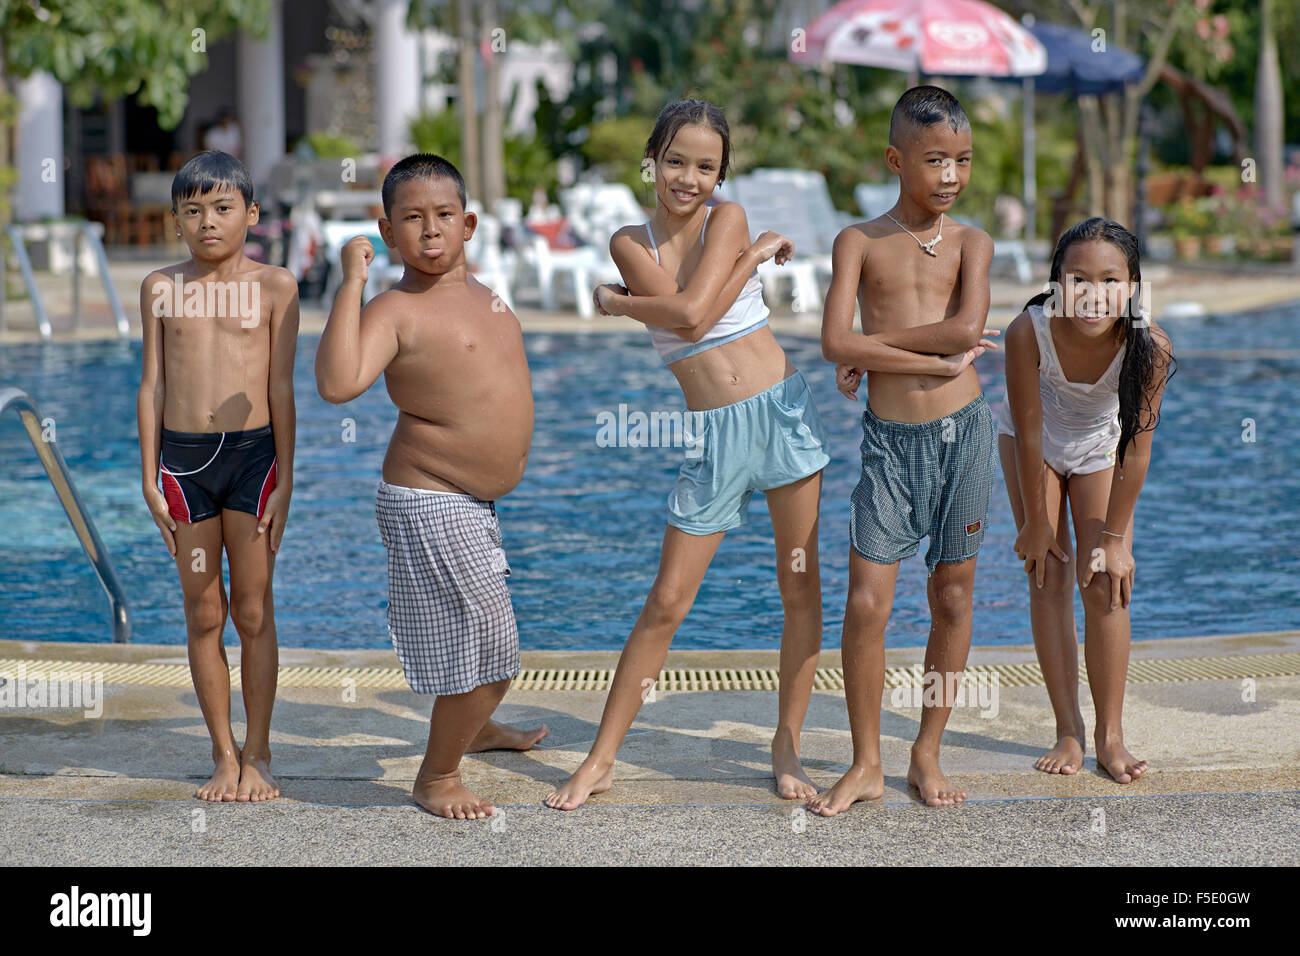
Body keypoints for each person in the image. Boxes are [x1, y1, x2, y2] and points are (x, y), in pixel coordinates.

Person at [548, 98, 863, 812]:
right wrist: (744, 266)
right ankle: (601, 758)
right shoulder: (630, 244)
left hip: (782, 413)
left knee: (799, 586)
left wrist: (622, 305)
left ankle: (785, 742)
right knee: (665, 600)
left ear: (722, 174)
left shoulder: (729, 220)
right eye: (677, 161)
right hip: (715, 435)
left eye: (706, 166)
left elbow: (690, 313)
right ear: (652, 161)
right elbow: (693, 314)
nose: (689, 178)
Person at [315, 154, 548, 820]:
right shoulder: (395, 309)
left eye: (444, 215)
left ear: (468, 222)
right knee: (495, 654)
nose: (430, 230)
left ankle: (473, 728)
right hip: (430, 498)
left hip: (475, 503)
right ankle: (437, 775)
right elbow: (337, 384)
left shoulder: (486, 295)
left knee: (480, 644)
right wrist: (349, 285)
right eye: (411, 219)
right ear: (387, 233)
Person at [814, 86, 1001, 813]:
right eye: (934, 160)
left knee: (952, 595)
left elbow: (966, 331)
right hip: (890, 446)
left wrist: (876, 349)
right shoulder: (858, 241)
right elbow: (833, 340)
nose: (951, 175)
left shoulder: (973, 243)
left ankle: (926, 750)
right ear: (897, 159)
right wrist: (918, 362)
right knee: (866, 603)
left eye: (962, 160)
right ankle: (866, 762)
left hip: (965, 435)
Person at [138, 149, 298, 802]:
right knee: (205, 610)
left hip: (253, 462)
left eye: (223, 208)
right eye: (193, 210)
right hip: (183, 466)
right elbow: (151, 385)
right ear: (177, 221)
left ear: (251, 215)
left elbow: (281, 385)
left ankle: (258, 750)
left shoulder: (276, 287)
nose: (208, 222)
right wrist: (148, 476)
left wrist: (287, 477)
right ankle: (222, 752)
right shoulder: (160, 288)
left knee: (254, 610)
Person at [996, 217, 1174, 783]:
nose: (1093, 295)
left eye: (1109, 280)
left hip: (1102, 446)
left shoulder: (1151, 344)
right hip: (1034, 444)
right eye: (1078, 279)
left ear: (1133, 286)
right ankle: (1069, 729)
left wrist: (1118, 540)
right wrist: (1035, 523)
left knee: (1105, 583)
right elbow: (1027, 431)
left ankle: (1110, 735)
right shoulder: (1028, 331)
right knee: (1046, 573)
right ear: (1056, 283)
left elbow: (1136, 450)